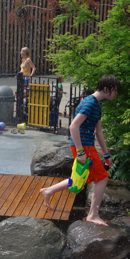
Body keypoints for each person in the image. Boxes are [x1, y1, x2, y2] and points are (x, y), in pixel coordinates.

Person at [39, 75, 120, 226]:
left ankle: (48, 191)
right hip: (85, 146)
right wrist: (81, 152)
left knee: (79, 178)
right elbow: (73, 126)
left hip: (86, 146)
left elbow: (98, 132)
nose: (116, 94)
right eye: (115, 90)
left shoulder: (95, 105)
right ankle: (93, 215)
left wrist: (106, 154)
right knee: (102, 178)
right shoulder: (89, 103)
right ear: (106, 89)